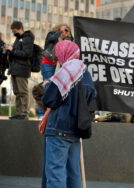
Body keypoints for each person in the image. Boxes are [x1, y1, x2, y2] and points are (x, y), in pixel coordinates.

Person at [42, 40, 96, 187]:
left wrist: (47, 85)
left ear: (63, 54)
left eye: (58, 55)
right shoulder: (85, 73)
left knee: (55, 172)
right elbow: (92, 96)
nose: (57, 58)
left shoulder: (64, 73)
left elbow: (49, 100)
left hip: (59, 128)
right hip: (76, 130)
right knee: (74, 173)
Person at [4, 21, 34, 120]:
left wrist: (12, 50)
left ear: (20, 28)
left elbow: (27, 54)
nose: (13, 33)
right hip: (15, 68)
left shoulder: (27, 38)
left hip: (22, 68)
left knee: (23, 92)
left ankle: (24, 113)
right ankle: (19, 112)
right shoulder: (18, 39)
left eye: (14, 31)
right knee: (17, 92)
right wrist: (9, 49)